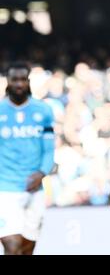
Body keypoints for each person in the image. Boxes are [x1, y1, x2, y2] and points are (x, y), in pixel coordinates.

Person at [0, 63, 55, 255]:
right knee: (12, 245)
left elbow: (49, 149)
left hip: (35, 188)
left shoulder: (43, 111)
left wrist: (42, 172)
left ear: (28, 81)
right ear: (8, 81)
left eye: (23, 79)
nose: (19, 84)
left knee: (27, 248)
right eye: (14, 79)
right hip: (5, 188)